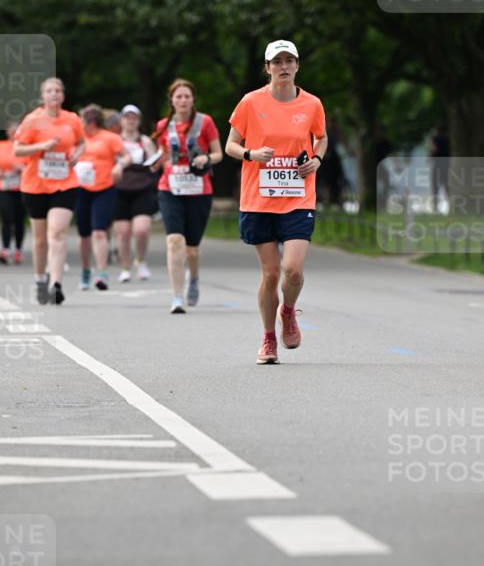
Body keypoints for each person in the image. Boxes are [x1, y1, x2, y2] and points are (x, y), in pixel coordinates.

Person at [226, 39, 327, 364]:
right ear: (267, 67)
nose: (283, 66)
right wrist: (251, 154)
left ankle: (288, 310)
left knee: (292, 270)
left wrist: (317, 159)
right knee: (271, 274)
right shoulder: (250, 102)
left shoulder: (312, 104)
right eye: (277, 61)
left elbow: (321, 137)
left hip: (298, 196)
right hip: (259, 199)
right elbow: (230, 145)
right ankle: (268, 338)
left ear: (297, 66)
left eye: (289, 61)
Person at [14, 77, 84, 305]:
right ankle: (39, 280)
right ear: (42, 96)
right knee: (40, 239)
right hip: (35, 184)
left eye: (58, 91)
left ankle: (56, 284)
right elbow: (18, 150)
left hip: (65, 182)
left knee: (57, 232)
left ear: (63, 95)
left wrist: (77, 153)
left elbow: (82, 142)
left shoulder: (72, 119)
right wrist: (41, 147)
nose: (54, 94)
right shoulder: (32, 120)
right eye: (49, 91)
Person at [154, 79, 222, 313]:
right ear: (171, 100)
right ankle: (177, 297)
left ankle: (193, 277)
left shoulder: (205, 122)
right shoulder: (164, 125)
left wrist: (206, 158)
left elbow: (218, 154)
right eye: (178, 97)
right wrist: (155, 162)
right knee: (174, 241)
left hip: (198, 189)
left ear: (193, 99)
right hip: (170, 188)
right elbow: (162, 154)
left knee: (192, 248)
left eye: (186, 96)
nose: (182, 100)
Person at [75, 104, 127, 290]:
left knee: (99, 231)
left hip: (104, 188)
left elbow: (127, 156)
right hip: (81, 188)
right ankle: (85, 270)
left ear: (91, 121)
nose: (79, 123)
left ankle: (102, 272)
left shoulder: (109, 138)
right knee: (84, 235)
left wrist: (119, 166)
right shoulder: (78, 139)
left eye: (82, 120)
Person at [114, 104, 158, 282]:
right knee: (123, 232)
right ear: (121, 120)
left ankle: (140, 260)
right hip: (120, 190)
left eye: (134, 118)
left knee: (142, 230)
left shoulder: (145, 141)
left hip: (142, 190)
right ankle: (125, 267)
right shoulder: (115, 140)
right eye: (127, 117)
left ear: (138, 121)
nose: (130, 121)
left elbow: (155, 165)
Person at [0, 120, 26, 264]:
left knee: (19, 221)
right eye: (10, 129)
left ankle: (18, 250)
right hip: (4, 186)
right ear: (6, 132)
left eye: (16, 130)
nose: (13, 132)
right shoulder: (0, 145)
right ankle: (5, 249)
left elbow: (32, 165)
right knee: (6, 218)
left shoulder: (25, 146)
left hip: (21, 187)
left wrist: (22, 169)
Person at [429, 124, 450, 212]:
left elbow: (434, 149)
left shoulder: (436, 139)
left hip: (438, 165)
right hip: (447, 165)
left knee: (435, 186)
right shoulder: (448, 139)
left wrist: (430, 157)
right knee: (447, 186)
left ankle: (435, 206)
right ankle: (451, 204)